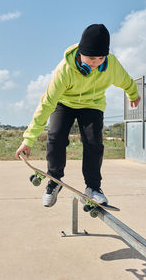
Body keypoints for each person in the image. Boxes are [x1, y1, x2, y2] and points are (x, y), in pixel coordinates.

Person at [16, 24, 140, 207]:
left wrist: (134, 95)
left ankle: (93, 187)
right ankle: (54, 180)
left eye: (100, 58)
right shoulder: (64, 70)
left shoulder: (111, 65)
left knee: (94, 142)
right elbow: (46, 103)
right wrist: (28, 139)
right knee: (56, 136)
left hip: (93, 104)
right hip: (64, 103)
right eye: (91, 58)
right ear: (80, 53)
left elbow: (126, 81)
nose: (95, 63)